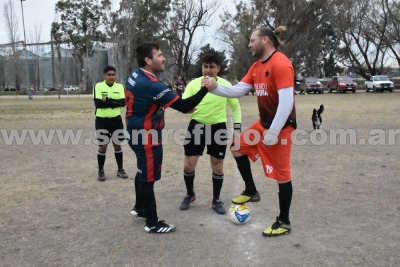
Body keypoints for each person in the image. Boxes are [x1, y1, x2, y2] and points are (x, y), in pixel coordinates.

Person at [203, 26, 297, 237]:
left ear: (265, 40)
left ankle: (284, 221)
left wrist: (273, 133)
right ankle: (251, 191)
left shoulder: (281, 63)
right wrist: (214, 86)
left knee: (282, 176)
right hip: (263, 126)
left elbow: (286, 101)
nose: (249, 44)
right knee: (237, 147)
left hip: (280, 129)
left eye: (252, 40)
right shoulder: (256, 67)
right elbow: (237, 90)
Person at [125, 42, 213, 233]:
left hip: (134, 131)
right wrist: (206, 88)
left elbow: (155, 101)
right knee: (147, 178)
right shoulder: (151, 84)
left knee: (142, 171)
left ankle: (140, 208)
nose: (163, 58)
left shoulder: (135, 74)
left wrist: (165, 105)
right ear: (148, 60)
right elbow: (183, 106)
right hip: (146, 136)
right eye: (159, 55)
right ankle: (152, 222)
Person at [179, 53, 242, 215]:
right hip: (197, 126)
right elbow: (184, 103)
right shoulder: (193, 84)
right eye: (205, 66)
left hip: (217, 128)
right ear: (202, 67)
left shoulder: (225, 84)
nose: (208, 70)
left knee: (217, 165)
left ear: (218, 69)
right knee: (189, 164)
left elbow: (235, 107)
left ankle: (216, 200)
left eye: (212, 67)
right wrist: (188, 108)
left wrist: (237, 128)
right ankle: (190, 194)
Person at [93, 66, 128, 181]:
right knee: (103, 146)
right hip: (102, 120)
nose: (111, 77)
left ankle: (120, 169)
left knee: (117, 144)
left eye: (113, 75)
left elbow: (123, 103)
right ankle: (101, 171)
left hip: (116, 120)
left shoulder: (119, 87)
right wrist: (114, 102)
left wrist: (107, 100)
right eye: (109, 75)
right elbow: (98, 104)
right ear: (104, 76)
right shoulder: (98, 86)